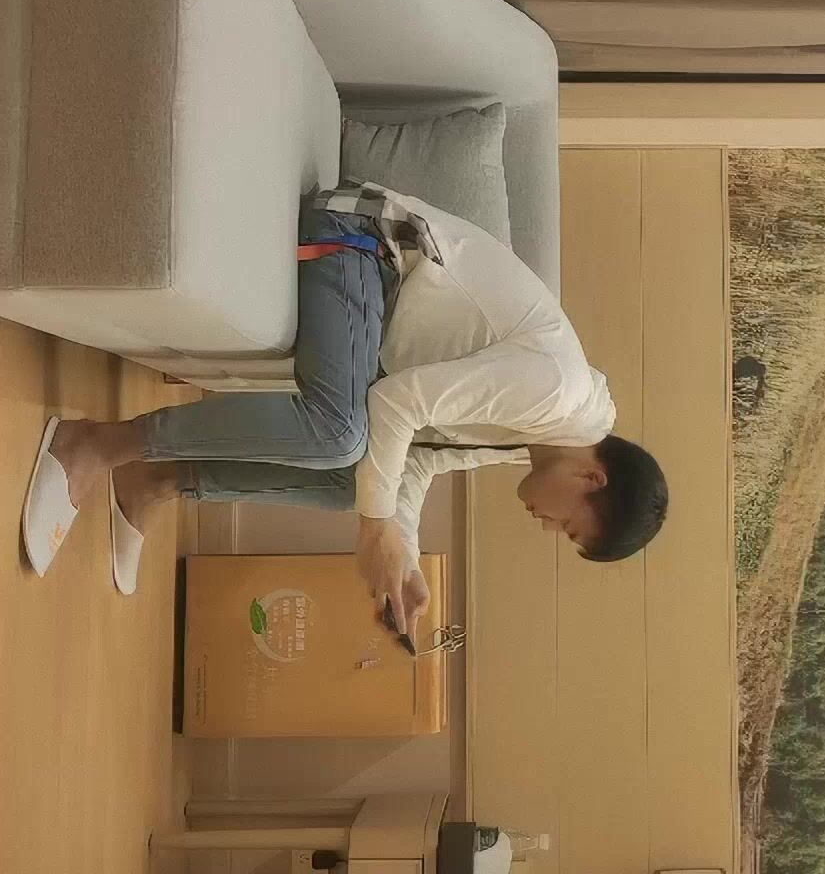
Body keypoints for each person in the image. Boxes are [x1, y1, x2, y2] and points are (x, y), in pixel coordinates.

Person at [22, 181, 669, 638]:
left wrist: (402, 555)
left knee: (351, 480)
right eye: (570, 527)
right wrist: (375, 527)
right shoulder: (555, 394)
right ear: (592, 478)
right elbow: (398, 402)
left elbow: (415, 462)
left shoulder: (539, 439)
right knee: (342, 438)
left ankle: (156, 479)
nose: (549, 526)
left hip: (374, 309)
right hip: (360, 241)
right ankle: (95, 444)